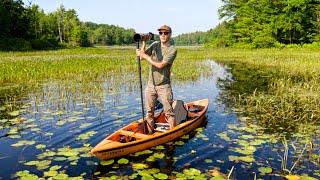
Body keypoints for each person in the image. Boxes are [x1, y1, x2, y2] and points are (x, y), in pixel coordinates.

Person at [136, 25, 177, 134]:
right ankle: (150, 134)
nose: (163, 35)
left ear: (170, 34)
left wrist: (145, 56)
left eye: (165, 33)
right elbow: (141, 57)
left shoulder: (172, 49)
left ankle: (173, 134)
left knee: (169, 113)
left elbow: (160, 65)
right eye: (160, 33)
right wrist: (144, 43)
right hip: (151, 85)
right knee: (149, 113)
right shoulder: (154, 45)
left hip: (164, 86)